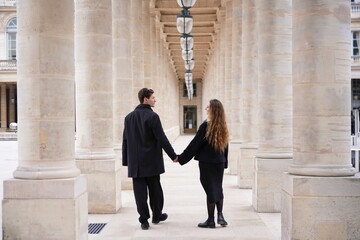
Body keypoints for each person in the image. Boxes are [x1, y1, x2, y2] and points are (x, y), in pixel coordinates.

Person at [122, 88, 178, 230]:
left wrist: (126, 161)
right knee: (155, 191)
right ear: (145, 99)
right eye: (153, 97)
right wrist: (173, 155)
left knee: (140, 193)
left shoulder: (128, 117)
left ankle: (144, 220)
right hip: (152, 161)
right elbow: (162, 138)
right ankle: (156, 215)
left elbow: (125, 140)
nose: (155, 100)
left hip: (136, 164)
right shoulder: (153, 117)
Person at [177, 99, 229, 228]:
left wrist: (181, 158)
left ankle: (211, 220)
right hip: (219, 163)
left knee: (210, 190)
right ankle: (220, 215)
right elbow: (226, 147)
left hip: (207, 163)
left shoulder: (206, 126)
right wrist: (225, 163)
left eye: (208, 107)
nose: (206, 108)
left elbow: (195, 145)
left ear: (213, 110)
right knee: (218, 187)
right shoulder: (223, 126)